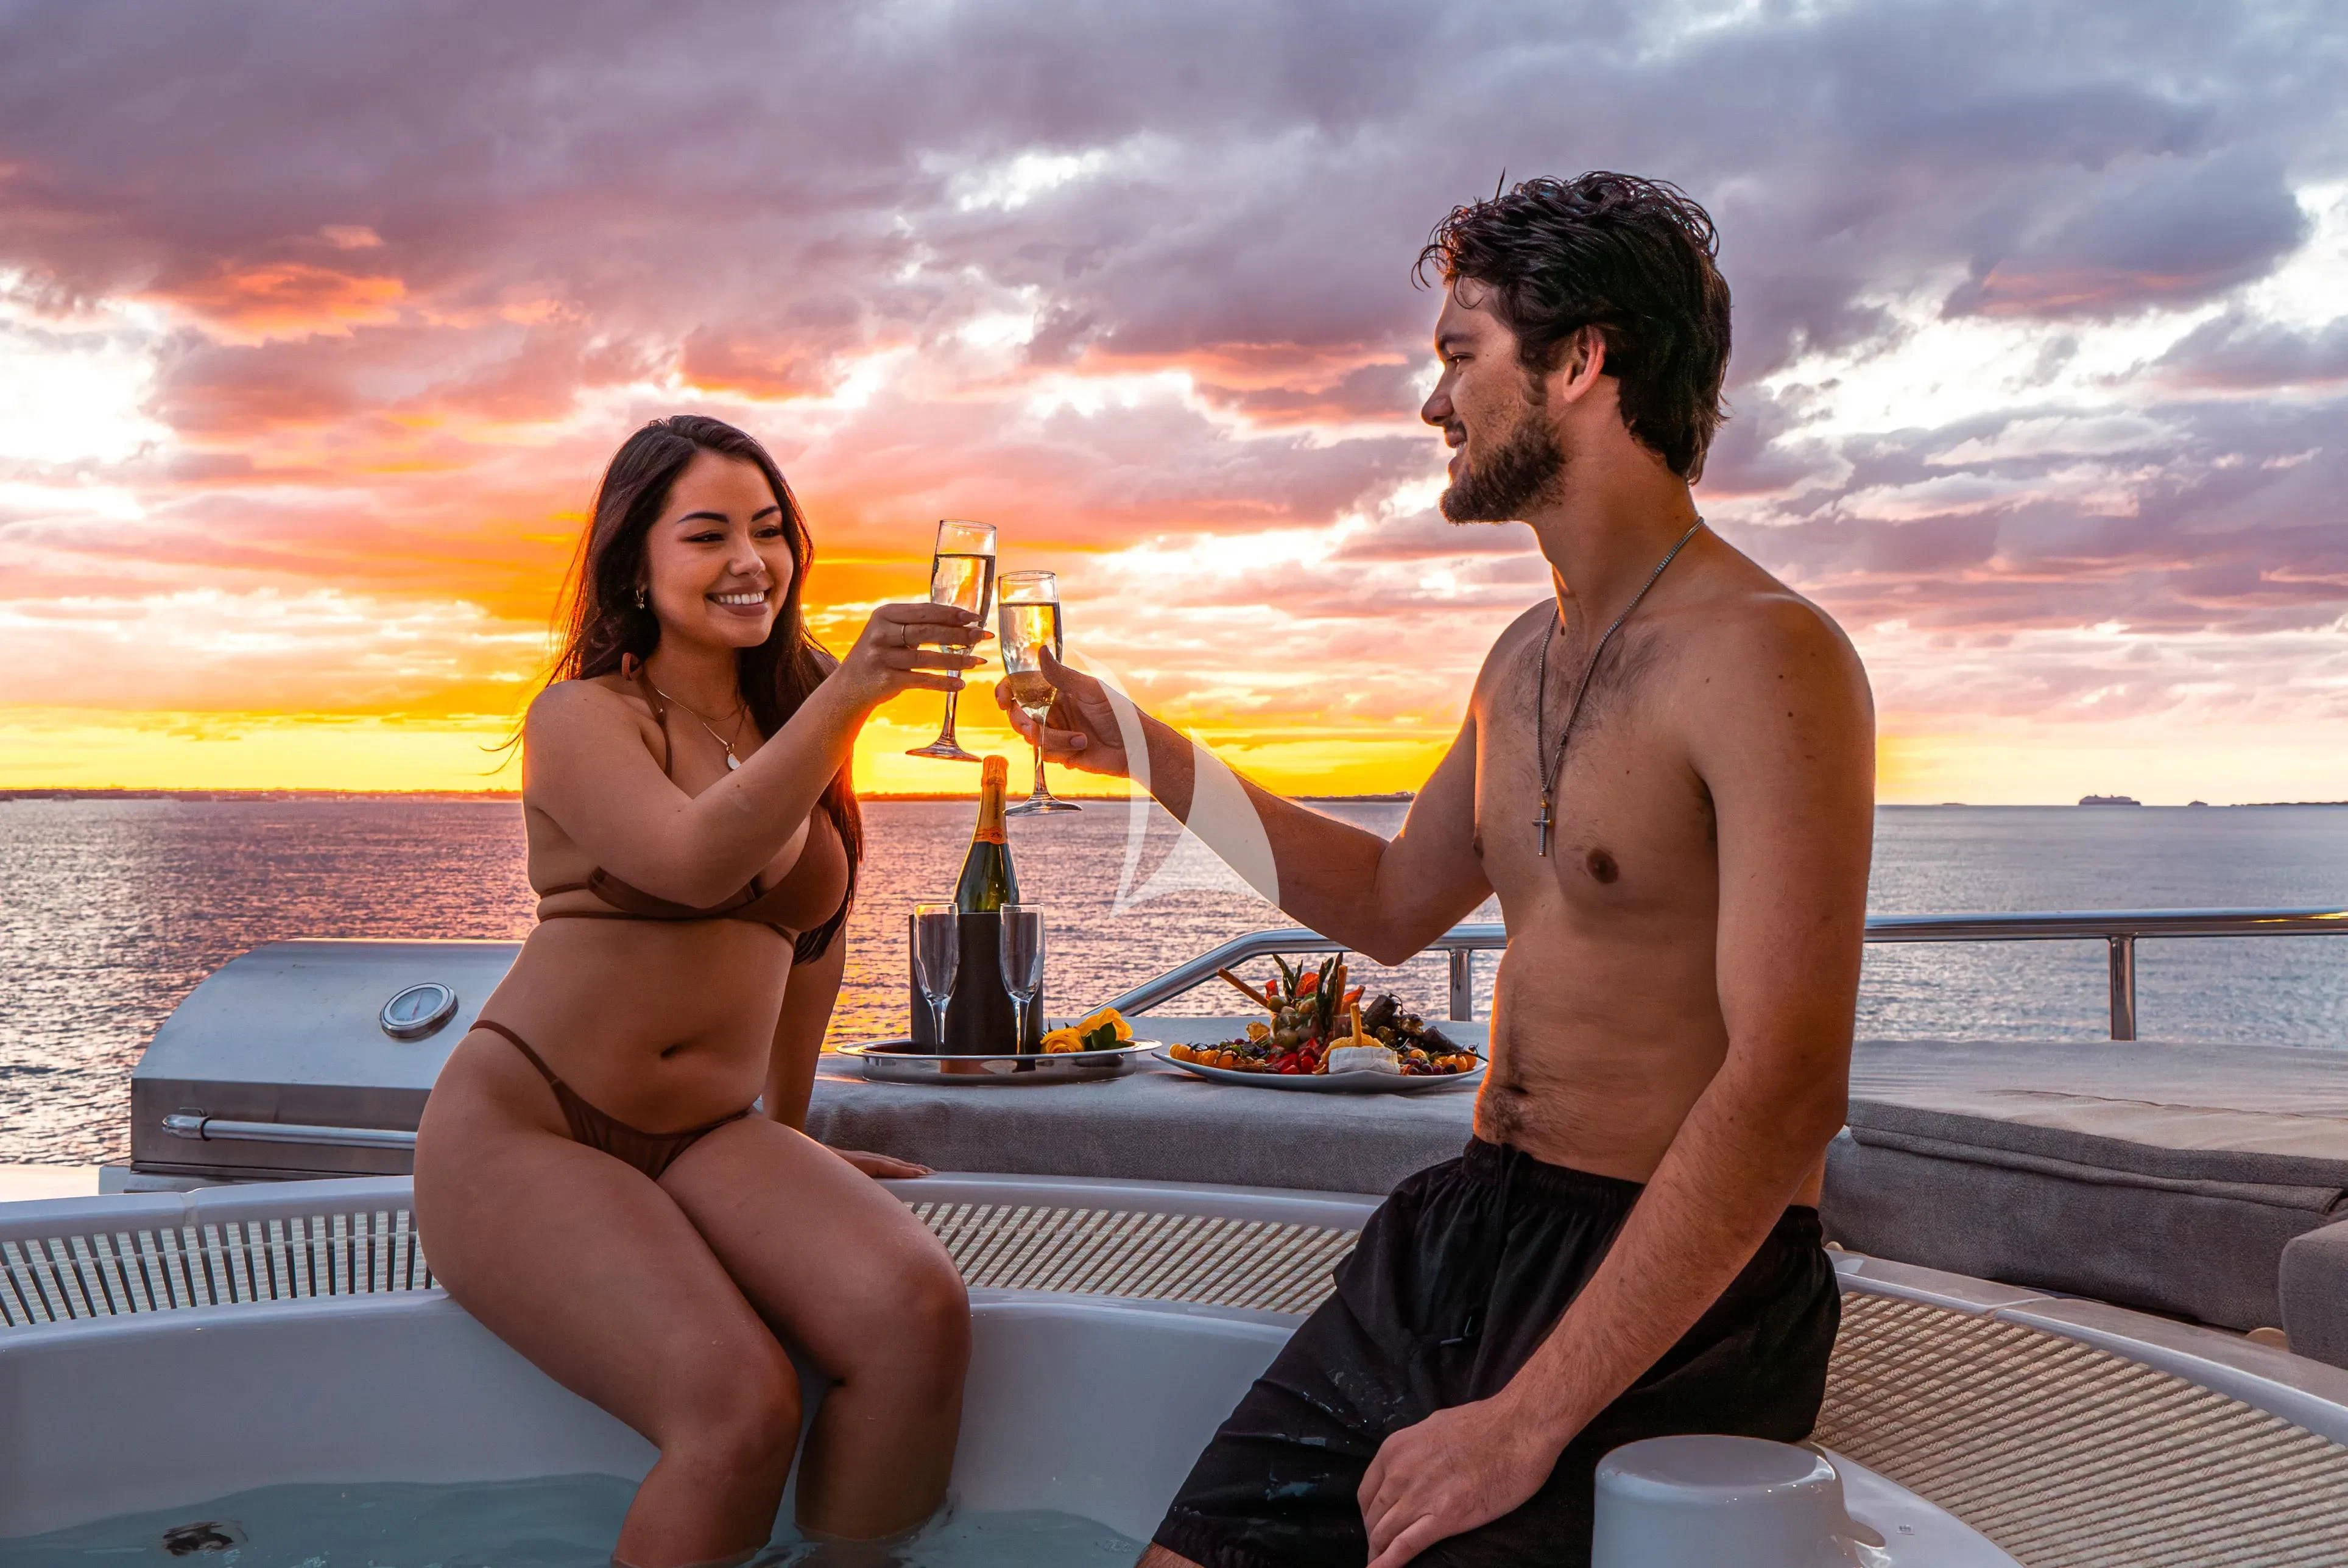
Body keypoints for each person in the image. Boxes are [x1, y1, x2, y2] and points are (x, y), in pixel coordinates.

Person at [1001, 175, 1876, 1568]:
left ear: (1580, 363)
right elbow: (1392, 906)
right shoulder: (1520, 658)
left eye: (1459, 357)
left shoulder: (1767, 656)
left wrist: (1525, 1419)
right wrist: (1147, 754)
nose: (1434, 407)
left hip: (1672, 1280)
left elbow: (1784, 1090)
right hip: (1466, 1224)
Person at [414, 415, 985, 1568]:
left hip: (708, 1133)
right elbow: (690, 860)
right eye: (708, 533)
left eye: (771, 532)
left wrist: (791, 1133)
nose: (750, 561)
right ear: (637, 562)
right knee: (738, 1406)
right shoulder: (581, 718)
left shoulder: (791, 717)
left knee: (916, 1314)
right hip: (526, 1129)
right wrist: (850, 696)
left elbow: (812, 938)